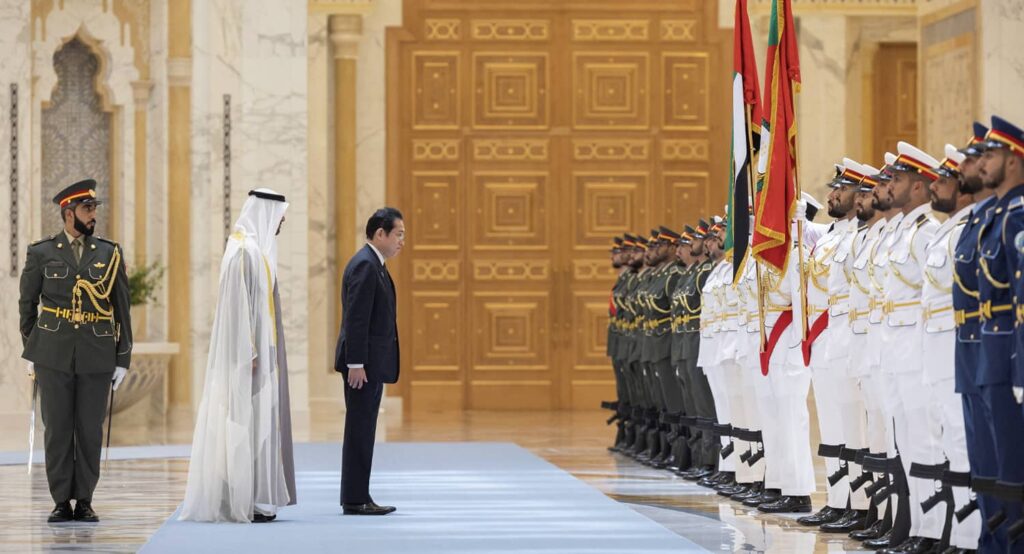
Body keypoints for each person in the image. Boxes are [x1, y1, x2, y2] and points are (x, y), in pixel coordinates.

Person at [19, 178, 132, 523]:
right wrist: (34, 348)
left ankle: (84, 499)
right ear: (69, 213)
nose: (93, 215)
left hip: (96, 353)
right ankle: (59, 500)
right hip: (53, 353)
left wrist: (123, 358)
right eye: (87, 209)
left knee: (88, 429)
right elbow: (27, 306)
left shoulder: (109, 253)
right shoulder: (42, 252)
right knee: (57, 430)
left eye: (94, 209)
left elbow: (121, 307)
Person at [180, 188, 296, 523]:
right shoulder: (244, 252)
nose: (280, 225)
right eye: (279, 219)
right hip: (250, 359)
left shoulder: (255, 250)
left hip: (261, 355)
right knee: (244, 426)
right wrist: (250, 351)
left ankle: (256, 496)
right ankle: (240, 498)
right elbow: (237, 308)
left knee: (258, 426)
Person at [335, 207, 405, 516]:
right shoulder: (365, 265)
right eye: (398, 234)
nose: (402, 241)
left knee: (364, 429)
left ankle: (358, 494)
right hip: (361, 367)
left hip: (369, 363)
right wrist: (356, 364)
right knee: (360, 430)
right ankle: (354, 498)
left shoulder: (374, 264)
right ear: (380, 234)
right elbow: (356, 319)